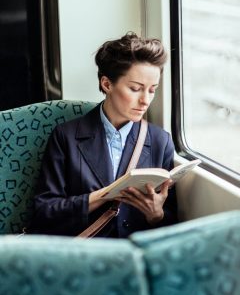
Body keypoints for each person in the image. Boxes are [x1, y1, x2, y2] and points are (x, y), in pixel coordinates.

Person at [31, 32, 177, 237]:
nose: (146, 100)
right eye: (136, 89)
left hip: (132, 255)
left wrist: (157, 215)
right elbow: (44, 211)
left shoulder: (161, 141)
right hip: (81, 254)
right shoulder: (66, 137)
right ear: (106, 84)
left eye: (152, 90)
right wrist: (105, 195)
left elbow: (171, 220)